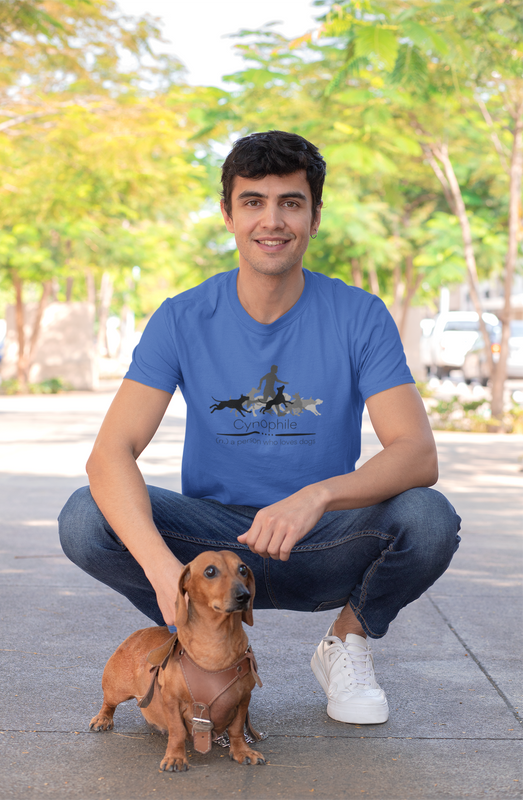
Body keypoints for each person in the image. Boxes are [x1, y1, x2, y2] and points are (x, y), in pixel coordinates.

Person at [59, 130, 461, 726]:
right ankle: (198, 640)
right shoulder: (182, 317)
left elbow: (416, 453)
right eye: (253, 202)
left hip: (318, 539)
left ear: (314, 216)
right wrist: (169, 577)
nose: (271, 221)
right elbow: (110, 454)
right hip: (214, 547)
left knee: (428, 517)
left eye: (290, 203)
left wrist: (316, 496)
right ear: (228, 214)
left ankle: (345, 643)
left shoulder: (359, 315)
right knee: (85, 516)